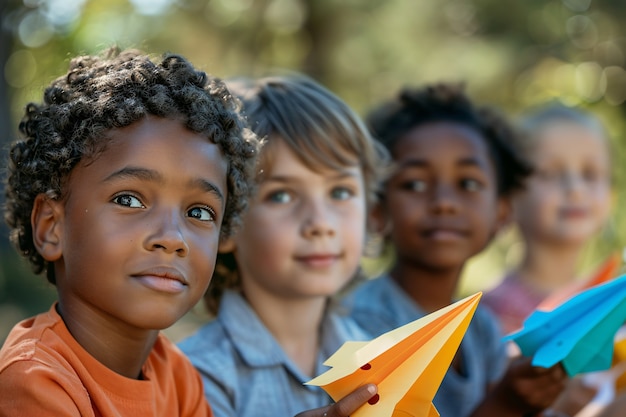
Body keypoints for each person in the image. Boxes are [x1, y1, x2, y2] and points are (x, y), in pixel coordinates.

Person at [0, 47, 375, 417]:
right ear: (51, 227)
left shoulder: (176, 374)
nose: (172, 237)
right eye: (130, 200)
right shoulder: (35, 380)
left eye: (199, 211)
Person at [342, 82, 568, 417]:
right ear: (376, 210)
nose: (444, 203)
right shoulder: (362, 327)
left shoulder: (481, 329)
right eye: (414, 184)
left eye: (468, 184)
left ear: (502, 211)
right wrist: (507, 405)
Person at [178, 74, 388, 417]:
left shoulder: (380, 358)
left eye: (340, 192)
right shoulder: (195, 378)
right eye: (282, 195)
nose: (320, 223)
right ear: (226, 225)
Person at [482, 104, 615, 417]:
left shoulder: (611, 305)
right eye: (551, 174)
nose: (576, 189)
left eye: (590, 174)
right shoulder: (488, 320)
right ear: (509, 198)